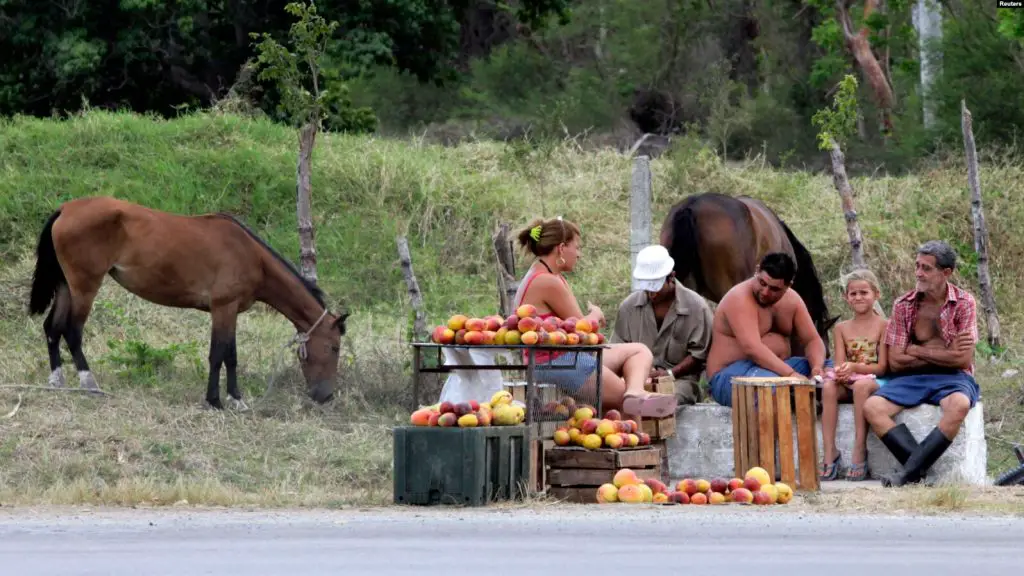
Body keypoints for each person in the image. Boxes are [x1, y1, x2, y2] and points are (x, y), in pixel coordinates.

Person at [513, 216, 676, 418]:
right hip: (556, 362)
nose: (579, 255)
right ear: (562, 248)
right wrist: (596, 314)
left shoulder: (549, 275)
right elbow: (583, 329)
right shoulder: (547, 281)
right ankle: (630, 403)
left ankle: (635, 390)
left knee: (639, 351)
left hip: (565, 355)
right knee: (625, 404)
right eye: (577, 247)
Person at [863, 240, 980, 487]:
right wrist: (942, 352)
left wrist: (915, 349)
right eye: (917, 266)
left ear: (945, 273)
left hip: (954, 377)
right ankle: (916, 471)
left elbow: (962, 359)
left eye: (926, 268)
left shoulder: (964, 302)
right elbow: (895, 361)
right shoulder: (903, 305)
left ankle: (908, 473)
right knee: (873, 407)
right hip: (911, 378)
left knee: (958, 404)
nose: (918, 273)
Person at [705, 252, 830, 407]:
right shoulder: (739, 298)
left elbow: (812, 340)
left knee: (832, 371)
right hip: (730, 374)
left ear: (788, 286)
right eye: (762, 283)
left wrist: (817, 368)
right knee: (771, 388)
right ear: (757, 271)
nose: (765, 292)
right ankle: (792, 395)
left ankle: (802, 396)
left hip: (778, 368)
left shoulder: (792, 300)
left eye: (774, 289)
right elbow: (752, 349)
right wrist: (791, 375)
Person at [611, 245, 714, 405]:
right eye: (647, 288)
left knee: (664, 403)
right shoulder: (628, 307)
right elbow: (617, 350)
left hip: (679, 381)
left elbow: (699, 355)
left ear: (671, 277)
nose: (652, 294)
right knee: (621, 401)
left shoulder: (697, 308)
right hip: (634, 381)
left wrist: (669, 373)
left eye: (656, 288)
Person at [819, 269, 890, 482]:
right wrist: (841, 371)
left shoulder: (884, 325)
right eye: (853, 294)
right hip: (850, 379)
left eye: (864, 292)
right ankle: (830, 451)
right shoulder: (841, 328)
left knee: (861, 387)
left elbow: (882, 368)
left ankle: (860, 448)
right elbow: (840, 363)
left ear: (876, 294)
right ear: (846, 297)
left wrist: (855, 368)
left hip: (875, 381)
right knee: (829, 387)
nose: (858, 297)